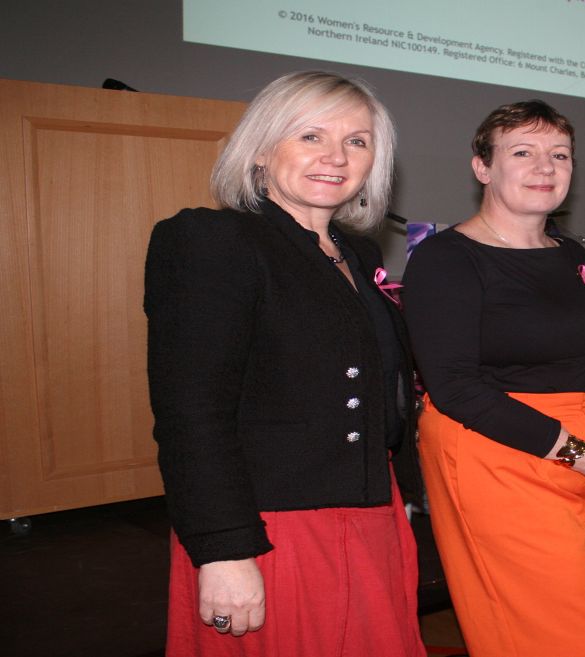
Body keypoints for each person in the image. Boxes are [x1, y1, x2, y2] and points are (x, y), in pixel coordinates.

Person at [144, 71, 425, 656]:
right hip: (272, 531)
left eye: (357, 140)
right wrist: (224, 550)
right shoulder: (213, 240)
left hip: (371, 518)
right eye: (310, 136)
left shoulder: (358, 254)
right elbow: (192, 413)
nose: (335, 157)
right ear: (261, 151)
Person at [401, 99, 585, 657]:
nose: (545, 167)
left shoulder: (571, 253)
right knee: (547, 634)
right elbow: (456, 389)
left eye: (559, 154)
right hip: (500, 450)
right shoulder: (446, 259)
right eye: (523, 152)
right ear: (483, 167)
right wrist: (582, 454)